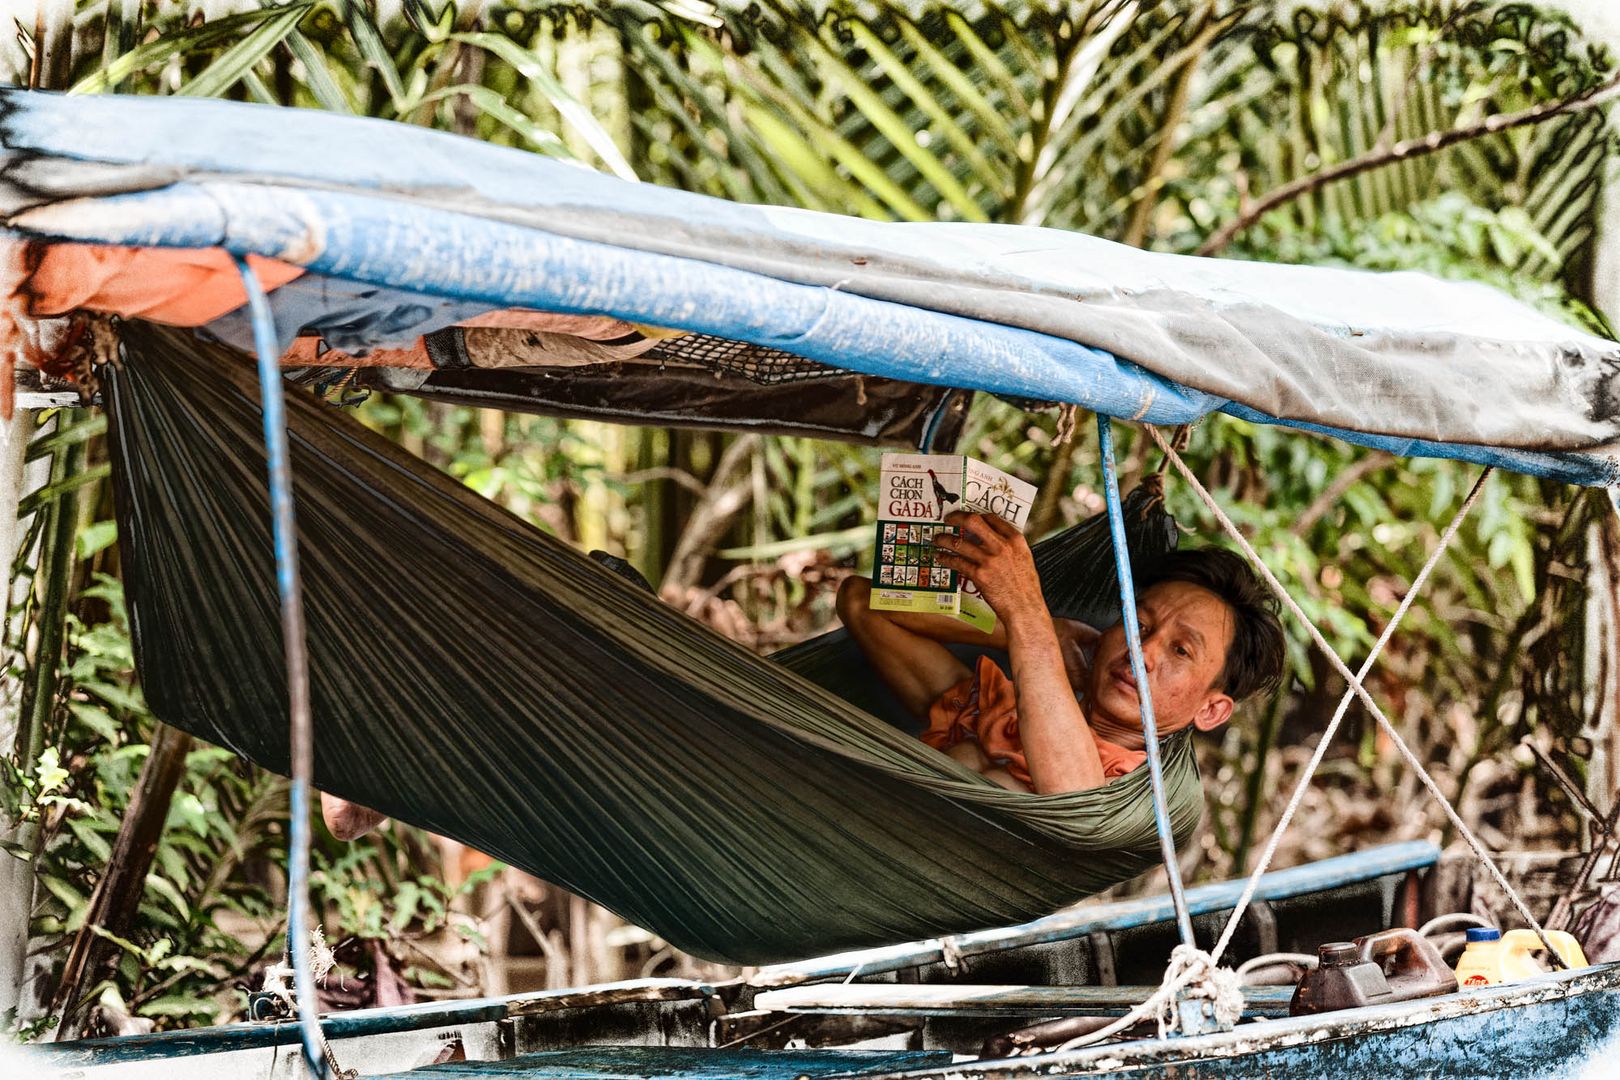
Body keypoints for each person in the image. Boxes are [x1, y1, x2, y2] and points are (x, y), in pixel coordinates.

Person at [836, 510, 1285, 795]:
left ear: (1211, 710)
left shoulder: (1134, 798)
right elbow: (863, 602)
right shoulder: (997, 711)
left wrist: (1026, 616)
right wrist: (1045, 630)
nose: (1140, 651)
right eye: (1137, 624)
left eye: (1181, 650)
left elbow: (1072, 797)